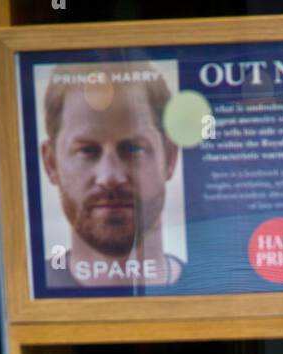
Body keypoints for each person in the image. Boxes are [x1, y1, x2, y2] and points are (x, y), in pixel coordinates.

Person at [40, 61, 185, 291]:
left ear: (169, 158)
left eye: (133, 148)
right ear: (50, 164)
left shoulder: (219, 290)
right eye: (86, 150)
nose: (110, 177)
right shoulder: (25, 290)